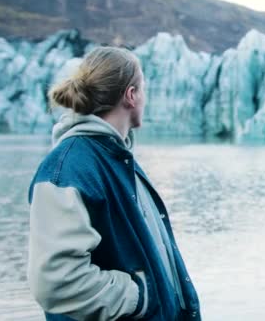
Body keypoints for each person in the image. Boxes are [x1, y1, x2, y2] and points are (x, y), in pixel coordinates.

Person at [27, 47, 200, 321]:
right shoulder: (69, 168)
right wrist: (140, 297)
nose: (146, 98)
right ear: (131, 95)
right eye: (143, 89)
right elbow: (56, 283)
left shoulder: (116, 158)